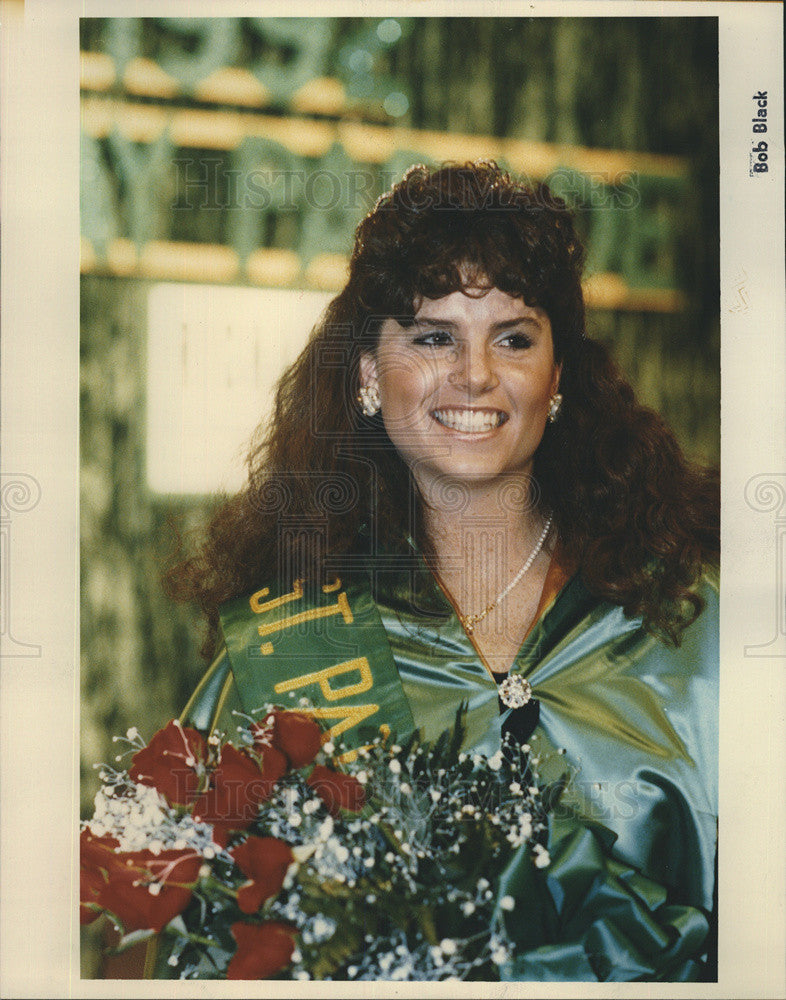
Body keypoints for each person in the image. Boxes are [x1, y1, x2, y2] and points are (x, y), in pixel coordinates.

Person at [166, 161, 719, 981]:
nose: (475, 375)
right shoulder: (291, 647)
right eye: (433, 336)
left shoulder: (687, 630)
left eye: (514, 337)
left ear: (557, 378)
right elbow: (196, 941)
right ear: (366, 375)